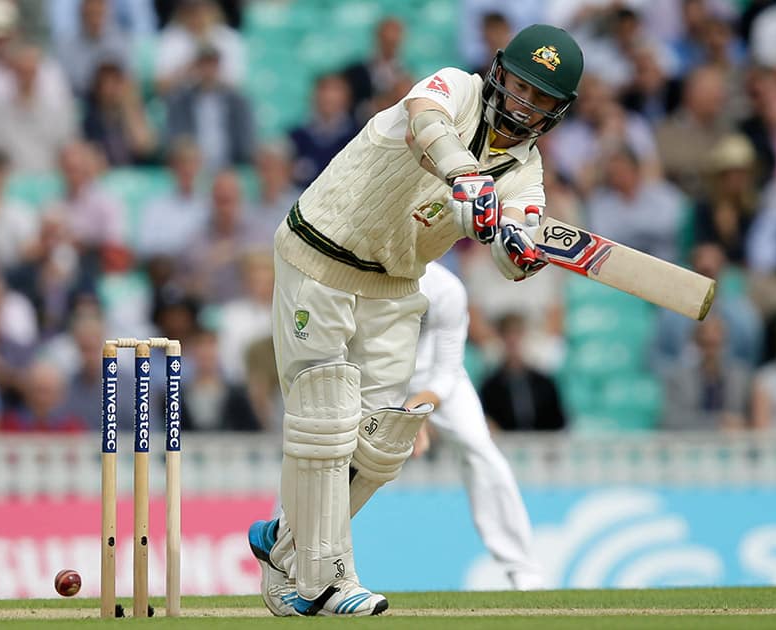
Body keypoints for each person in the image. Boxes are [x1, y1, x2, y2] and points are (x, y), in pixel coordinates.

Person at [246, 23, 584, 616]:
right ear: (499, 72)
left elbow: (516, 247)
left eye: (542, 99)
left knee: (382, 442)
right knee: (326, 416)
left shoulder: (527, 172)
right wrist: (465, 175)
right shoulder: (456, 87)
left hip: (396, 282)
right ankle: (327, 582)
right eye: (520, 87)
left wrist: (517, 248)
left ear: (557, 112)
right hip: (321, 252)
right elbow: (424, 121)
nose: (524, 104)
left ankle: (287, 548)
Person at [409, 261, 543, 589]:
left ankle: (523, 569)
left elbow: (445, 372)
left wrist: (415, 412)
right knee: (336, 455)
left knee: (481, 450)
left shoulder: (446, 288)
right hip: (373, 381)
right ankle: (298, 554)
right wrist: (401, 421)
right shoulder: (362, 277)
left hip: (438, 381)